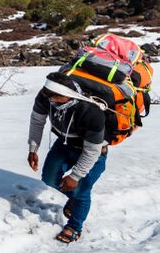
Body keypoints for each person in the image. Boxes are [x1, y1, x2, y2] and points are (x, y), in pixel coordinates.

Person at [28, 72, 108, 243]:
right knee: (49, 178)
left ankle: (74, 226)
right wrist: (33, 148)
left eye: (56, 98)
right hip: (64, 143)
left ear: (68, 95)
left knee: (80, 190)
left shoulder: (91, 112)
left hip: (94, 152)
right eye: (48, 96)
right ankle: (75, 202)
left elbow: (92, 151)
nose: (51, 101)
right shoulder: (45, 95)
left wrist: (75, 176)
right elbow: (37, 121)